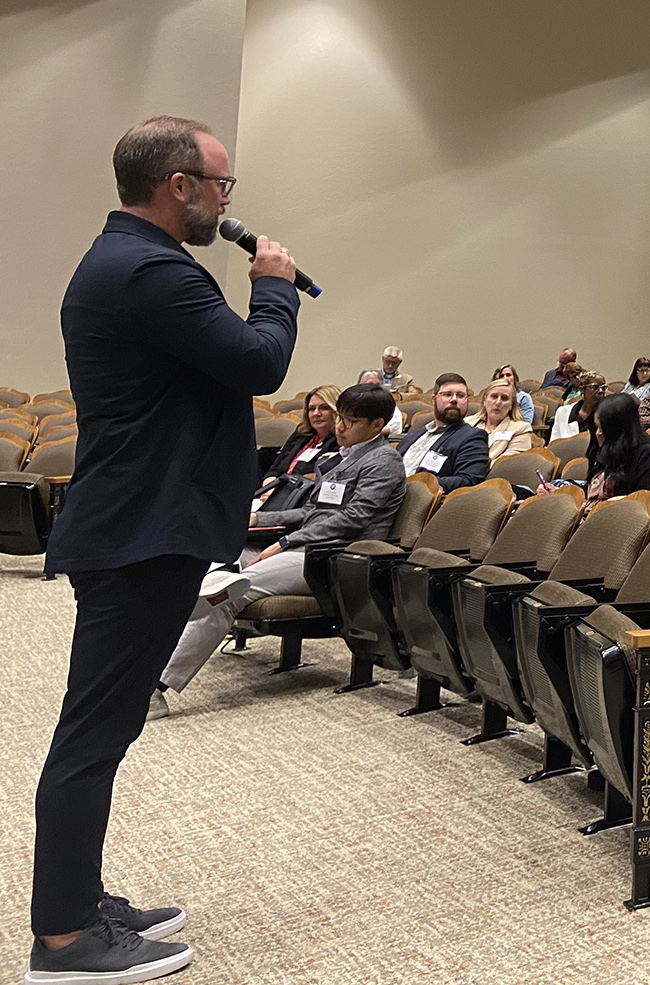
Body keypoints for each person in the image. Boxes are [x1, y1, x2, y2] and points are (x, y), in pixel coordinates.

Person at [30, 115, 298, 983]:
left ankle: (80, 898)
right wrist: (276, 286)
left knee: (104, 725)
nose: (227, 201)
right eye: (223, 185)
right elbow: (259, 361)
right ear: (178, 184)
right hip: (141, 529)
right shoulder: (151, 269)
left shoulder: (126, 262)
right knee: (94, 733)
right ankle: (65, 938)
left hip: (137, 522)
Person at [155, 383, 403, 709]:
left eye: (351, 421)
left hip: (336, 557)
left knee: (231, 590)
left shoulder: (383, 461)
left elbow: (354, 519)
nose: (340, 426)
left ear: (376, 425)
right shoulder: (343, 459)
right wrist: (263, 519)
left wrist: (286, 541)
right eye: (340, 417)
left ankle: (154, 689)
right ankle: (153, 654)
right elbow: (314, 513)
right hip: (308, 547)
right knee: (212, 563)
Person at [396, 374, 488, 494]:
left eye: (460, 396)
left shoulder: (472, 437)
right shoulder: (412, 436)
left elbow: (468, 480)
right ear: (434, 400)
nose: (454, 399)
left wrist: (418, 483)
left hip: (416, 500)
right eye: (447, 394)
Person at [568, 392, 650, 501]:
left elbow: (645, 502)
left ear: (618, 428)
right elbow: (595, 486)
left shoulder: (649, 456)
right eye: (596, 427)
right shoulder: (603, 449)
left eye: (603, 428)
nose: (598, 433)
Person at [260, 385, 342, 481]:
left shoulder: (341, 441)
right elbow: (274, 469)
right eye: (312, 409)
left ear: (336, 410)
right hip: (280, 489)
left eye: (324, 408)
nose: (316, 413)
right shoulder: (301, 434)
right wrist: (269, 485)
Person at [467, 378, 534, 463]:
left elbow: (506, 464)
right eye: (494, 396)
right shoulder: (467, 423)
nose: (498, 402)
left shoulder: (521, 429)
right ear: (484, 400)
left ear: (511, 405)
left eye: (504, 398)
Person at [548, 369, 604, 443]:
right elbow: (554, 443)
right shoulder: (563, 412)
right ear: (582, 389)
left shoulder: (607, 414)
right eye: (595, 387)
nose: (601, 391)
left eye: (603, 387)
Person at [357, 370, 406, 437]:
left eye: (377, 385)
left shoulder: (388, 405)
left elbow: (394, 427)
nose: (374, 388)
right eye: (370, 384)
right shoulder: (354, 404)